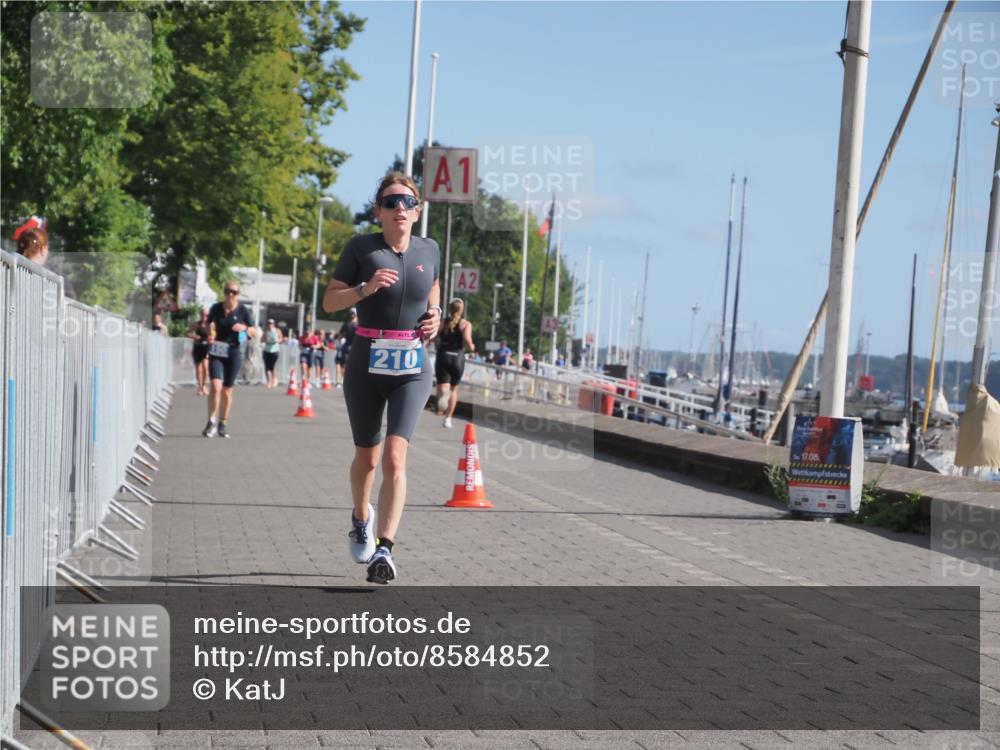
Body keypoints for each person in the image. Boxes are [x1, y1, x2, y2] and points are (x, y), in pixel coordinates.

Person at [322, 172, 440, 585]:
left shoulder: (430, 248)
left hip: (412, 365)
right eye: (391, 202)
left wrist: (436, 316)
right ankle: (360, 518)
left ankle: (385, 549)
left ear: (418, 209)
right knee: (368, 458)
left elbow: (434, 286)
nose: (400, 209)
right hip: (367, 362)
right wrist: (364, 289)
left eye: (407, 201)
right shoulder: (361, 248)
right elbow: (330, 299)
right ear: (379, 211)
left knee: (395, 457)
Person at [203, 281, 255, 438]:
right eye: (227, 291)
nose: (230, 295)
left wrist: (244, 328)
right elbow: (208, 325)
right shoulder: (216, 308)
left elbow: (253, 330)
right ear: (224, 293)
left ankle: (223, 423)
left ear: (238, 294)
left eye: (233, 292)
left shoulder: (243, 311)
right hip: (217, 350)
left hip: (233, 351)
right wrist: (209, 333)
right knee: (215, 386)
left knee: (227, 390)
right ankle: (211, 421)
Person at [434, 298, 475, 428]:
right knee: (454, 389)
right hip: (458, 357)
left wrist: (432, 342)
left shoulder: (443, 322)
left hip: (443, 355)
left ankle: (443, 394)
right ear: (461, 310)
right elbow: (467, 339)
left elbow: (434, 337)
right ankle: (448, 418)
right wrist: (472, 346)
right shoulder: (465, 324)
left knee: (443, 387)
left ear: (450, 308)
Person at [186, 309, 211, 396]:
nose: (204, 316)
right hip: (197, 347)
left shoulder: (210, 325)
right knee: (198, 369)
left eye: (206, 315)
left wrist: (211, 339)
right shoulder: (196, 324)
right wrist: (194, 336)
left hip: (206, 348)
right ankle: (200, 387)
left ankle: (204, 386)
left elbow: (215, 335)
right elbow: (188, 333)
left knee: (205, 367)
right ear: (200, 315)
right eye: (203, 314)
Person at [334, 309, 358, 388]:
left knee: (344, 364)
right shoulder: (359, 325)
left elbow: (340, 336)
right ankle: (353, 381)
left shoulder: (346, 324)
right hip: (356, 346)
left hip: (347, 346)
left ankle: (345, 381)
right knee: (355, 365)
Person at [262, 319, 283, 389]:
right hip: (267, 350)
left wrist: (277, 340)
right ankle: (268, 381)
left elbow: (281, 339)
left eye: (271, 324)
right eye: (268, 324)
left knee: (272, 367)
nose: (269, 325)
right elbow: (261, 339)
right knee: (267, 367)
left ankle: (274, 380)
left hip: (275, 350)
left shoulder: (277, 331)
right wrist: (265, 340)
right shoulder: (266, 331)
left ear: (273, 324)